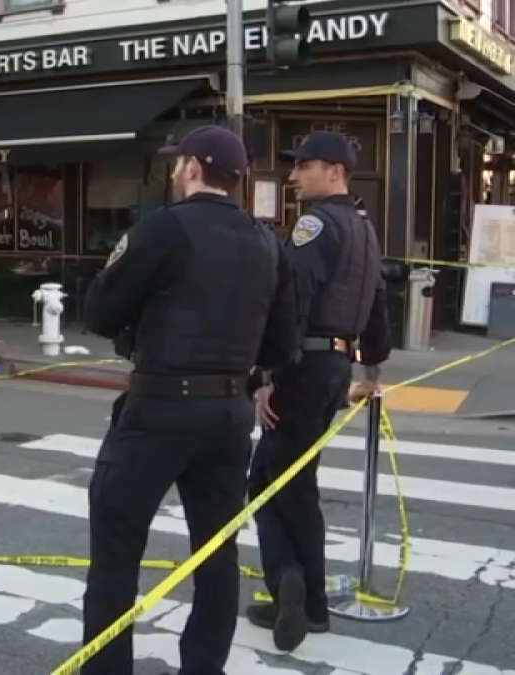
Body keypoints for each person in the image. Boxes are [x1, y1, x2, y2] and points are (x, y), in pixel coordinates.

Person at [81, 125, 300, 675]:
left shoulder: (163, 229)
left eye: (178, 163)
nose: (174, 171)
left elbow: (101, 312)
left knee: (116, 550)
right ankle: (203, 666)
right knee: (216, 552)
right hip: (228, 411)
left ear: (195, 167)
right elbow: (282, 343)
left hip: (159, 406)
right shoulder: (267, 241)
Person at [246, 131, 391, 651]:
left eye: (302, 166)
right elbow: (377, 301)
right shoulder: (364, 229)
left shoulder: (315, 225)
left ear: (333, 171)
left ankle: (291, 582)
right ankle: (306, 598)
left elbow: (291, 299)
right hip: (334, 364)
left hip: (303, 365)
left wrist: (265, 377)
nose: (292, 176)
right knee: (291, 478)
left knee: (270, 481)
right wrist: (373, 366)